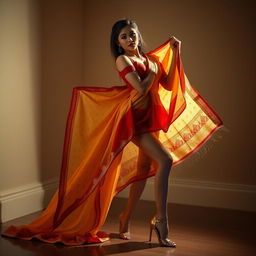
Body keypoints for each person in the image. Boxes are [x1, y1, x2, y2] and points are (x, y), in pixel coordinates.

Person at [1, 18, 223, 246]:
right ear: (118, 43)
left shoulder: (150, 59)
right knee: (165, 160)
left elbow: (167, 84)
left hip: (151, 118)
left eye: (132, 34)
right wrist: (154, 70)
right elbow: (141, 87)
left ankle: (125, 217)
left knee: (144, 169)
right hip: (133, 119)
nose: (130, 39)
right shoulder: (122, 60)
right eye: (124, 36)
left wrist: (176, 53)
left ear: (138, 34)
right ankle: (161, 220)